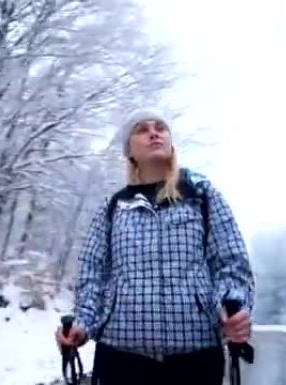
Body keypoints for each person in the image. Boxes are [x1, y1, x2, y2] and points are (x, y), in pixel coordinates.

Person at [55, 109, 255, 385]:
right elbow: (93, 274)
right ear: (129, 150)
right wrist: (82, 322)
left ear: (171, 143)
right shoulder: (113, 208)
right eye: (142, 129)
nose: (153, 132)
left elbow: (230, 262)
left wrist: (232, 305)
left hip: (196, 360)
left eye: (161, 127)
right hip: (120, 360)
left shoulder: (202, 197)